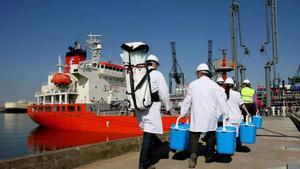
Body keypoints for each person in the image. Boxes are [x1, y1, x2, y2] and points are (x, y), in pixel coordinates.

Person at [180, 63, 227, 168]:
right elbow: (221, 101)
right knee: (210, 135)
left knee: (194, 136)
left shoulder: (193, 84)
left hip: (197, 115)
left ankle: (193, 157)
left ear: (199, 73)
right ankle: (209, 157)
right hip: (211, 116)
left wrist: (183, 113)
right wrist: (225, 114)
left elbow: (187, 100)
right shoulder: (214, 85)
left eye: (197, 73)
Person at [137, 54, 171, 169]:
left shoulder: (139, 74)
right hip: (151, 109)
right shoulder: (157, 74)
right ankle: (142, 165)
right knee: (148, 135)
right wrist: (168, 107)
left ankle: (148, 161)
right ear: (155, 64)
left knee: (149, 134)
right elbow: (164, 93)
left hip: (140, 109)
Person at [223, 77, 250, 150]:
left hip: (228, 118)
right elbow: (242, 104)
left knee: (229, 134)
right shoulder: (237, 94)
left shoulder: (222, 94)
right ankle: (238, 147)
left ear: (225, 85)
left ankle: (229, 147)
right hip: (237, 117)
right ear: (233, 85)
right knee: (237, 134)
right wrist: (247, 112)